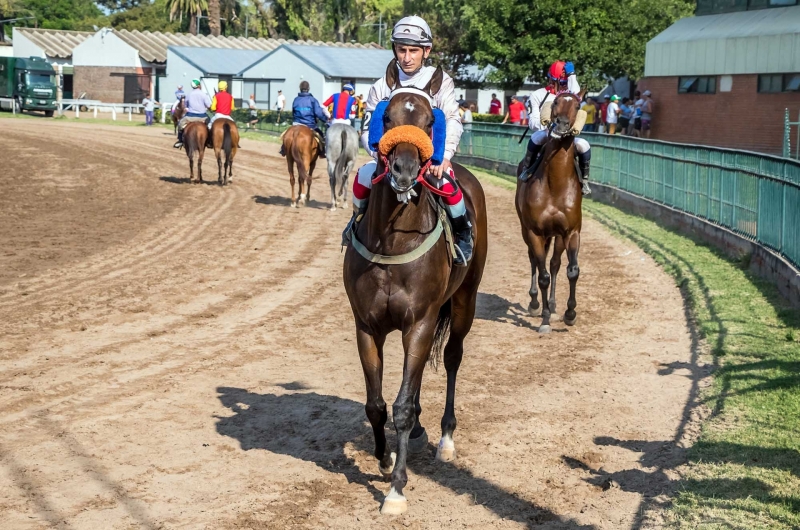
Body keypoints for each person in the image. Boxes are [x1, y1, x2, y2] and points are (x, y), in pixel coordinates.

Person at [345, 15, 473, 266]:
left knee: (448, 183)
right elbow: (368, 129)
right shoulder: (381, 87)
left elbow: (452, 119)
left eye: (413, 50)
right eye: (401, 50)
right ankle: (357, 220)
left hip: (428, 161)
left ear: (426, 51)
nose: (407, 57)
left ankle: (463, 234)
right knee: (362, 177)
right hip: (391, 160)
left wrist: (444, 156)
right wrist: (380, 158)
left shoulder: (441, 82)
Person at [518, 60, 592, 195]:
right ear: (552, 80)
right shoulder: (537, 95)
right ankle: (527, 170)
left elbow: (576, 95)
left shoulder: (570, 95)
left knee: (584, 146)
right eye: (562, 83)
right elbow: (533, 122)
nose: (564, 86)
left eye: (566, 82)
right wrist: (550, 124)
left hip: (568, 135)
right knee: (535, 137)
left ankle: (584, 180)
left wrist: (572, 75)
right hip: (547, 133)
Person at [280, 80, 329, 158]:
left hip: (296, 124)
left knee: (286, 134)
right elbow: (318, 113)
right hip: (310, 125)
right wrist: (326, 119)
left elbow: (293, 112)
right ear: (308, 88)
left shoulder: (296, 99)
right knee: (321, 135)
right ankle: (322, 152)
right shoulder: (313, 100)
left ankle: (283, 148)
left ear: (300, 88)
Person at [173, 79, 211, 149]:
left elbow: (185, 105)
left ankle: (180, 140)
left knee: (180, 124)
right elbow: (208, 105)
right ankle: (209, 141)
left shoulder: (189, 94)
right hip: (202, 116)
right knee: (210, 124)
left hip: (190, 116)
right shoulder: (203, 94)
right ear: (199, 85)